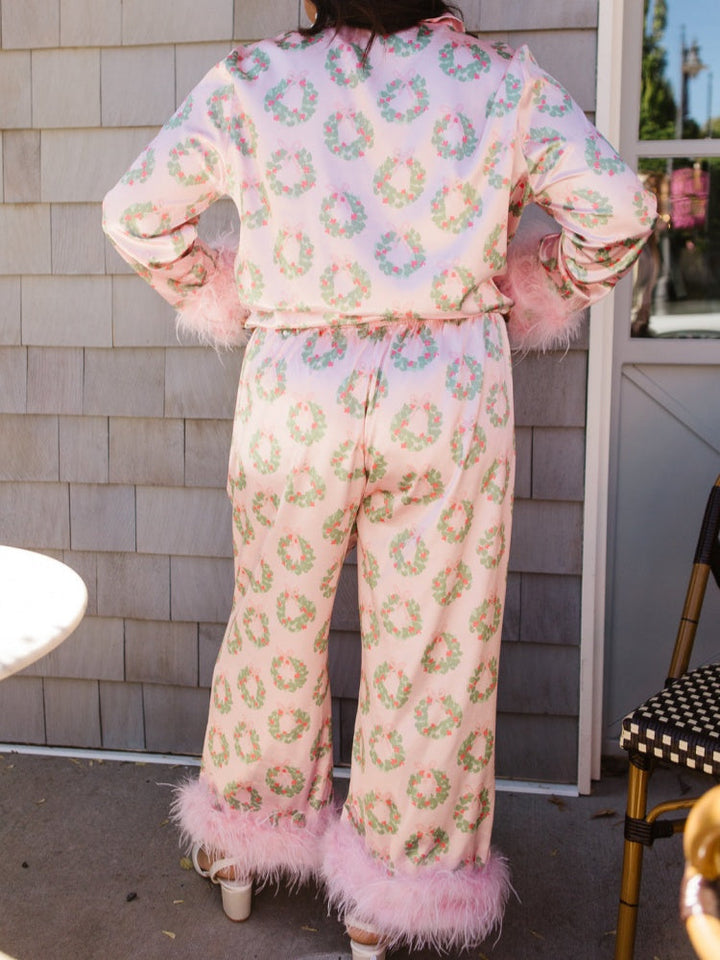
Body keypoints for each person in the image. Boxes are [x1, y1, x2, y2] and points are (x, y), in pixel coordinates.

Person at [102, 2, 656, 955]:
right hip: (447, 399)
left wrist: (221, 289)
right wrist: (535, 286)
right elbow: (620, 212)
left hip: (294, 398)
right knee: (434, 649)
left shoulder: (257, 79)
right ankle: (390, 900)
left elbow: (135, 214)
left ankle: (243, 850)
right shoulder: (499, 82)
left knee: (274, 620)